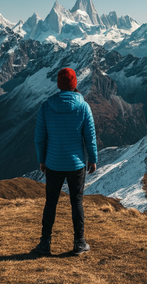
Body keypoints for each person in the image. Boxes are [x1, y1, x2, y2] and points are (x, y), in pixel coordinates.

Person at [33, 67, 98, 256]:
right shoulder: (83, 106)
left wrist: (42, 159)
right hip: (76, 164)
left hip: (53, 162)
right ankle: (79, 243)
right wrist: (92, 159)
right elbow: (89, 136)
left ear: (59, 84)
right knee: (76, 201)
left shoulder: (47, 105)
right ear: (75, 83)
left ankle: (45, 243)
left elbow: (39, 137)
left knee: (50, 202)